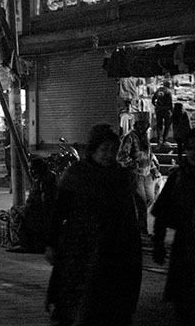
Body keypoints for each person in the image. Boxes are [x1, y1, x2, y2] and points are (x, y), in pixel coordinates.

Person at [45, 124, 142, 326]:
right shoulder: (77, 175)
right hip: (79, 246)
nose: (108, 155)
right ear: (93, 150)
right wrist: (51, 243)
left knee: (108, 297)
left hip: (113, 248)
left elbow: (130, 213)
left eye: (113, 150)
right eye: (103, 150)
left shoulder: (121, 177)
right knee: (77, 293)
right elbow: (59, 211)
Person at [151, 128, 195, 325]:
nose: (194, 152)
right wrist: (158, 242)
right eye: (191, 148)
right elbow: (163, 210)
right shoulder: (178, 177)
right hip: (185, 245)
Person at [117, 111, 160, 234]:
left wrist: (154, 166)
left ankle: (135, 219)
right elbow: (121, 156)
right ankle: (141, 230)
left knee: (151, 198)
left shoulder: (144, 137)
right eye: (143, 124)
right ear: (137, 124)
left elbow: (149, 154)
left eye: (146, 124)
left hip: (147, 174)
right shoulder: (129, 137)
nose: (145, 126)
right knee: (141, 203)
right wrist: (134, 164)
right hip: (135, 174)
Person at [10, 156, 57, 253]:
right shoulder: (47, 178)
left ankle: (24, 244)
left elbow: (46, 202)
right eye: (30, 169)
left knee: (15, 211)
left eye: (32, 169)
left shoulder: (43, 182)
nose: (31, 171)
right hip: (38, 211)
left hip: (37, 213)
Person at [152, 80, 173, 144]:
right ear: (168, 85)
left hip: (159, 110)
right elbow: (170, 103)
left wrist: (157, 106)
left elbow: (153, 100)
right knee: (167, 125)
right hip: (166, 111)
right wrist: (172, 111)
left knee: (159, 125)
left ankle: (159, 140)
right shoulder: (168, 92)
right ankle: (164, 140)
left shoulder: (158, 90)